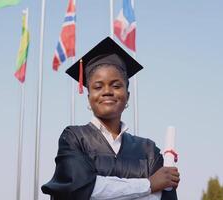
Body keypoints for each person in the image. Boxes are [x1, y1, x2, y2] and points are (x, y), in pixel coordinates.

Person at [41, 37, 180, 200]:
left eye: (116, 85)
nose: (107, 91)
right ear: (89, 97)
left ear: (127, 96)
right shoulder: (74, 138)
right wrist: (149, 185)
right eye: (98, 87)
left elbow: (163, 196)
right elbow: (77, 188)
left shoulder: (148, 150)